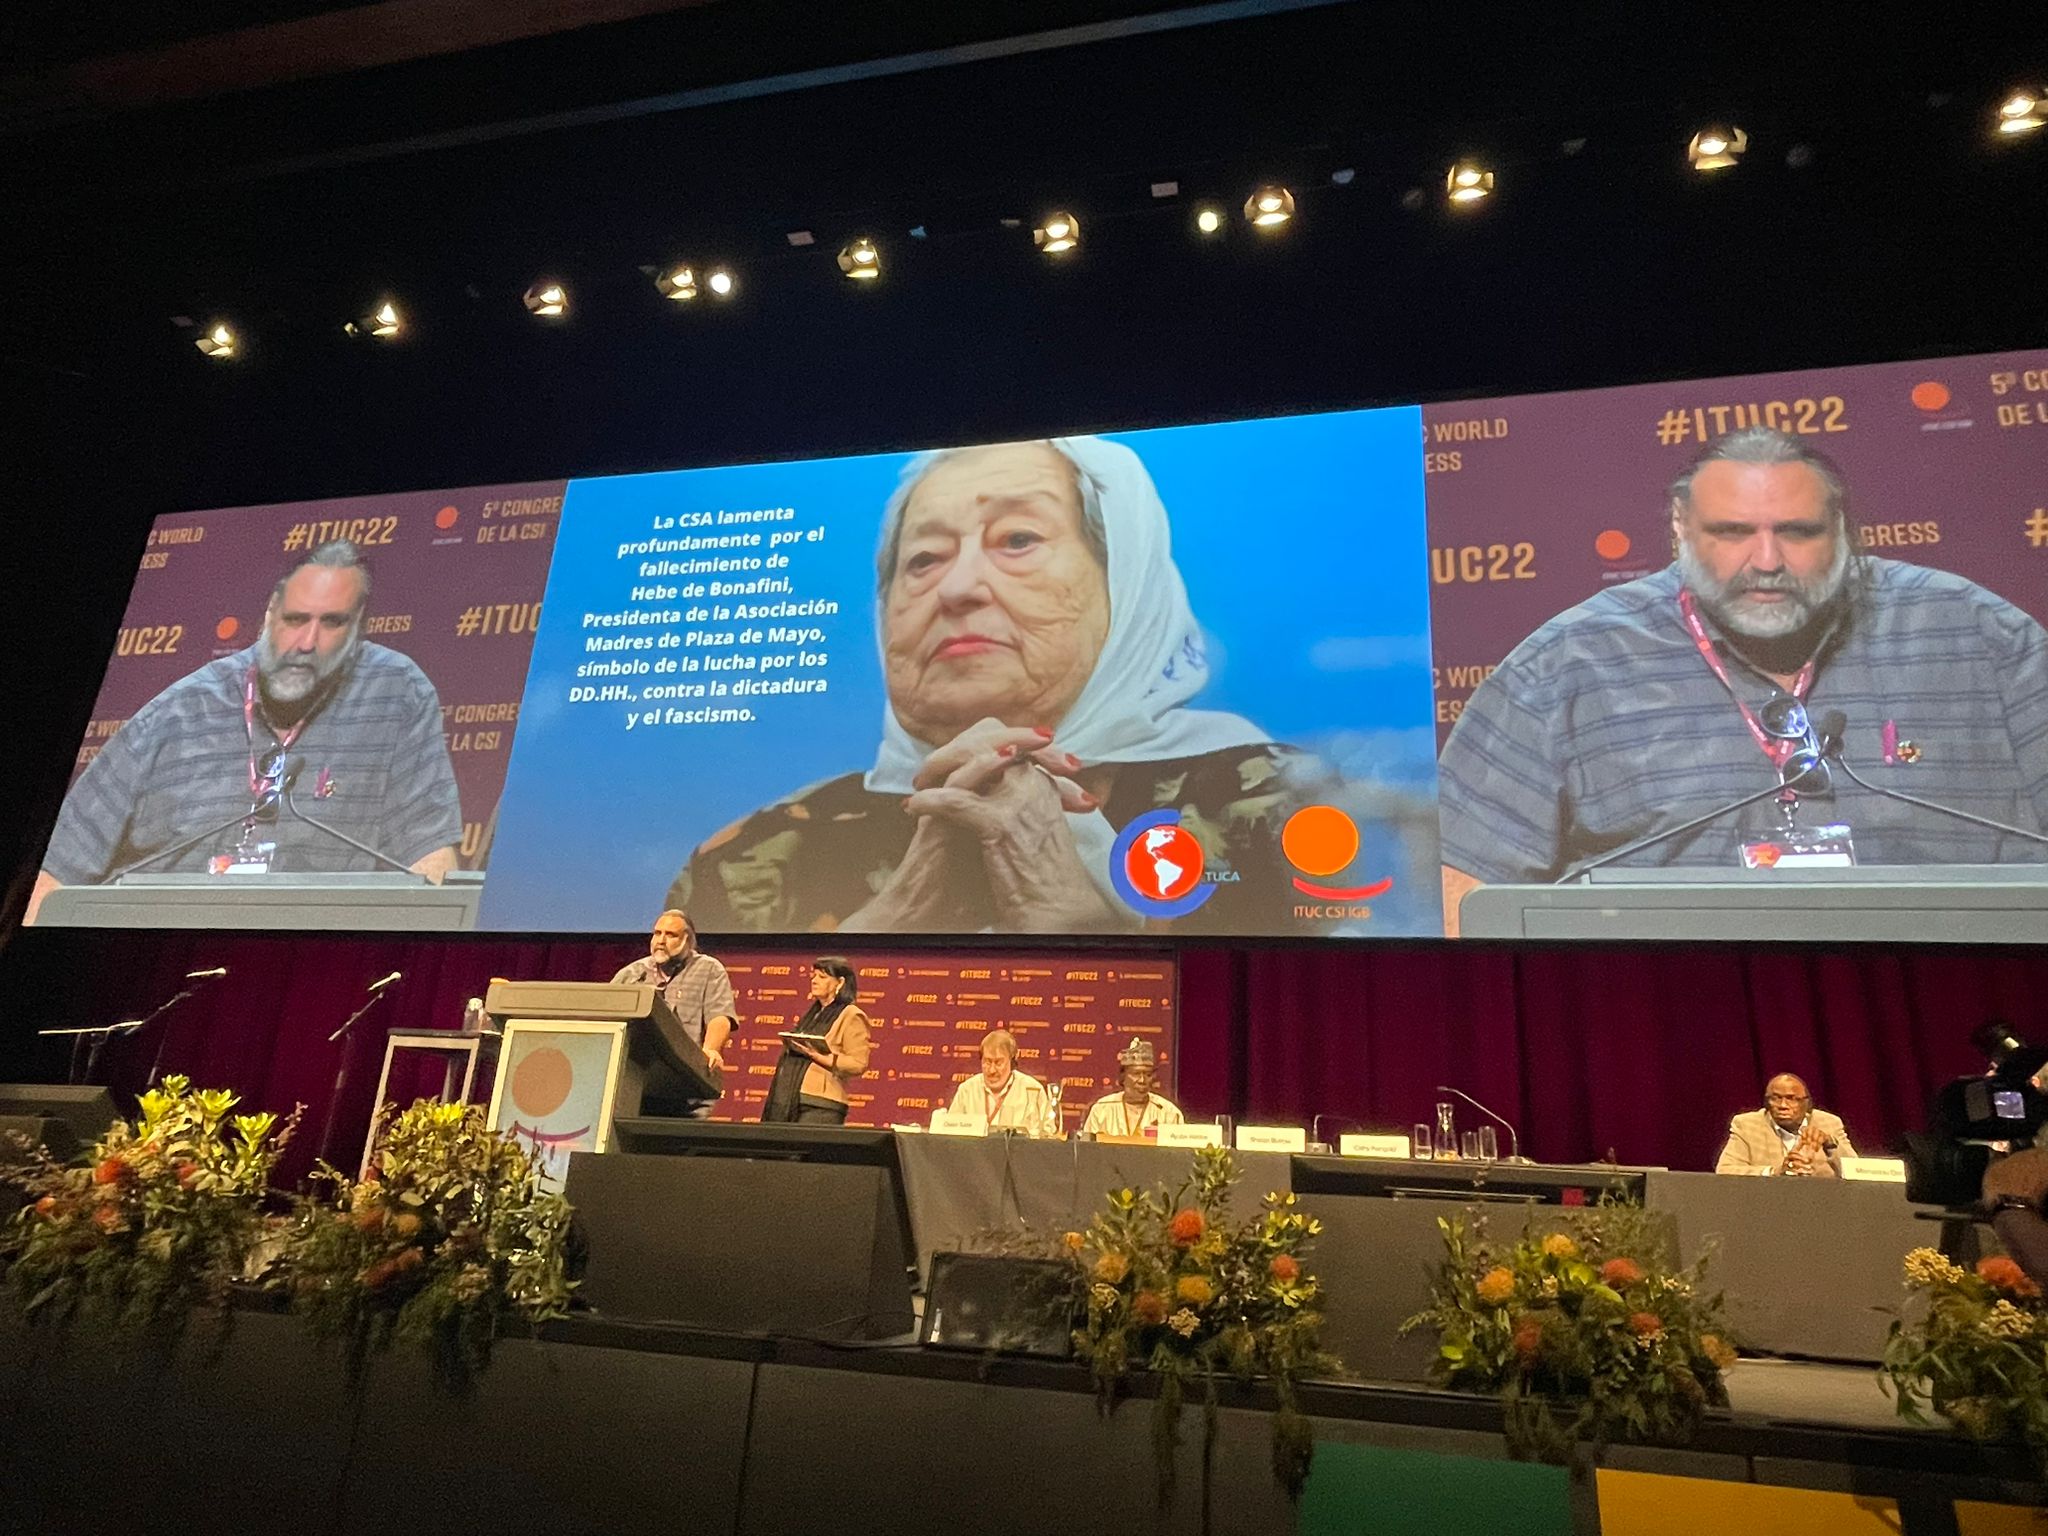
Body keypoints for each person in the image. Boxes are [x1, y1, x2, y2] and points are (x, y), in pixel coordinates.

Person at [667, 436, 1441, 935]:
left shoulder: (1283, 803)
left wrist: (1080, 926)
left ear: (1125, 586)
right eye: (925, 559)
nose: (958, 586)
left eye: (1017, 540)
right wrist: (901, 916)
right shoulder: (764, 850)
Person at [1436, 427, 2048, 933]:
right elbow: (1461, 891)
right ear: (1679, 528)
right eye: (1732, 532)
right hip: (1673, 1007)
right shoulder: (1567, 662)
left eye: (1797, 531)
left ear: (1841, 528)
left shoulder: (1979, 634)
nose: (1766, 562)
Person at [30, 539, 461, 923]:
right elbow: (53, 872)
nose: (306, 642)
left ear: (358, 627)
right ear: (269, 614)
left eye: (332, 623)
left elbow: (430, 860)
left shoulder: (396, 693)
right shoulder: (180, 710)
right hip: (167, 942)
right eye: (294, 619)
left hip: (315, 947)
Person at [609, 909, 736, 1117]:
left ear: (688, 940)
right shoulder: (633, 973)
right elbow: (605, 1013)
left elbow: (720, 1017)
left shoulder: (709, 969)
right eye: (657, 933)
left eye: (670, 935)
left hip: (685, 1086)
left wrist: (712, 1049)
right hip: (634, 1083)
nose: (660, 940)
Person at [760, 956, 872, 1126]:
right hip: (791, 1100)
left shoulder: (852, 1015)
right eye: (813, 976)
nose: (814, 981)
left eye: (822, 977)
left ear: (840, 983)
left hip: (821, 1104)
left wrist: (821, 1057)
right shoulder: (812, 1014)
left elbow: (858, 1063)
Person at [1715, 1073, 1858, 1177]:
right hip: (1770, 1202)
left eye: (1791, 1099)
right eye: (1775, 1098)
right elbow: (1725, 1170)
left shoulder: (1829, 1122)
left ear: (1807, 1103)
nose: (1783, 1105)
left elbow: (1856, 1171)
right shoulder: (1747, 1124)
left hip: (1823, 1201)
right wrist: (1774, 1172)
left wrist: (1829, 1143)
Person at [944, 1028, 1051, 1133]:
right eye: (987, 1062)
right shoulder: (967, 1090)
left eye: (998, 1063)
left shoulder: (1033, 1090)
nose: (992, 1070)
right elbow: (950, 1135)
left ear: (1012, 1062)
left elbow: (1048, 1136)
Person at [1079, 1037, 1186, 1138]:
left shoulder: (1169, 1113)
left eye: (1148, 1075)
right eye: (1136, 1074)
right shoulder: (1102, 1110)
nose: (1142, 1080)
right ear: (1123, 1077)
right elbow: (1087, 1151)